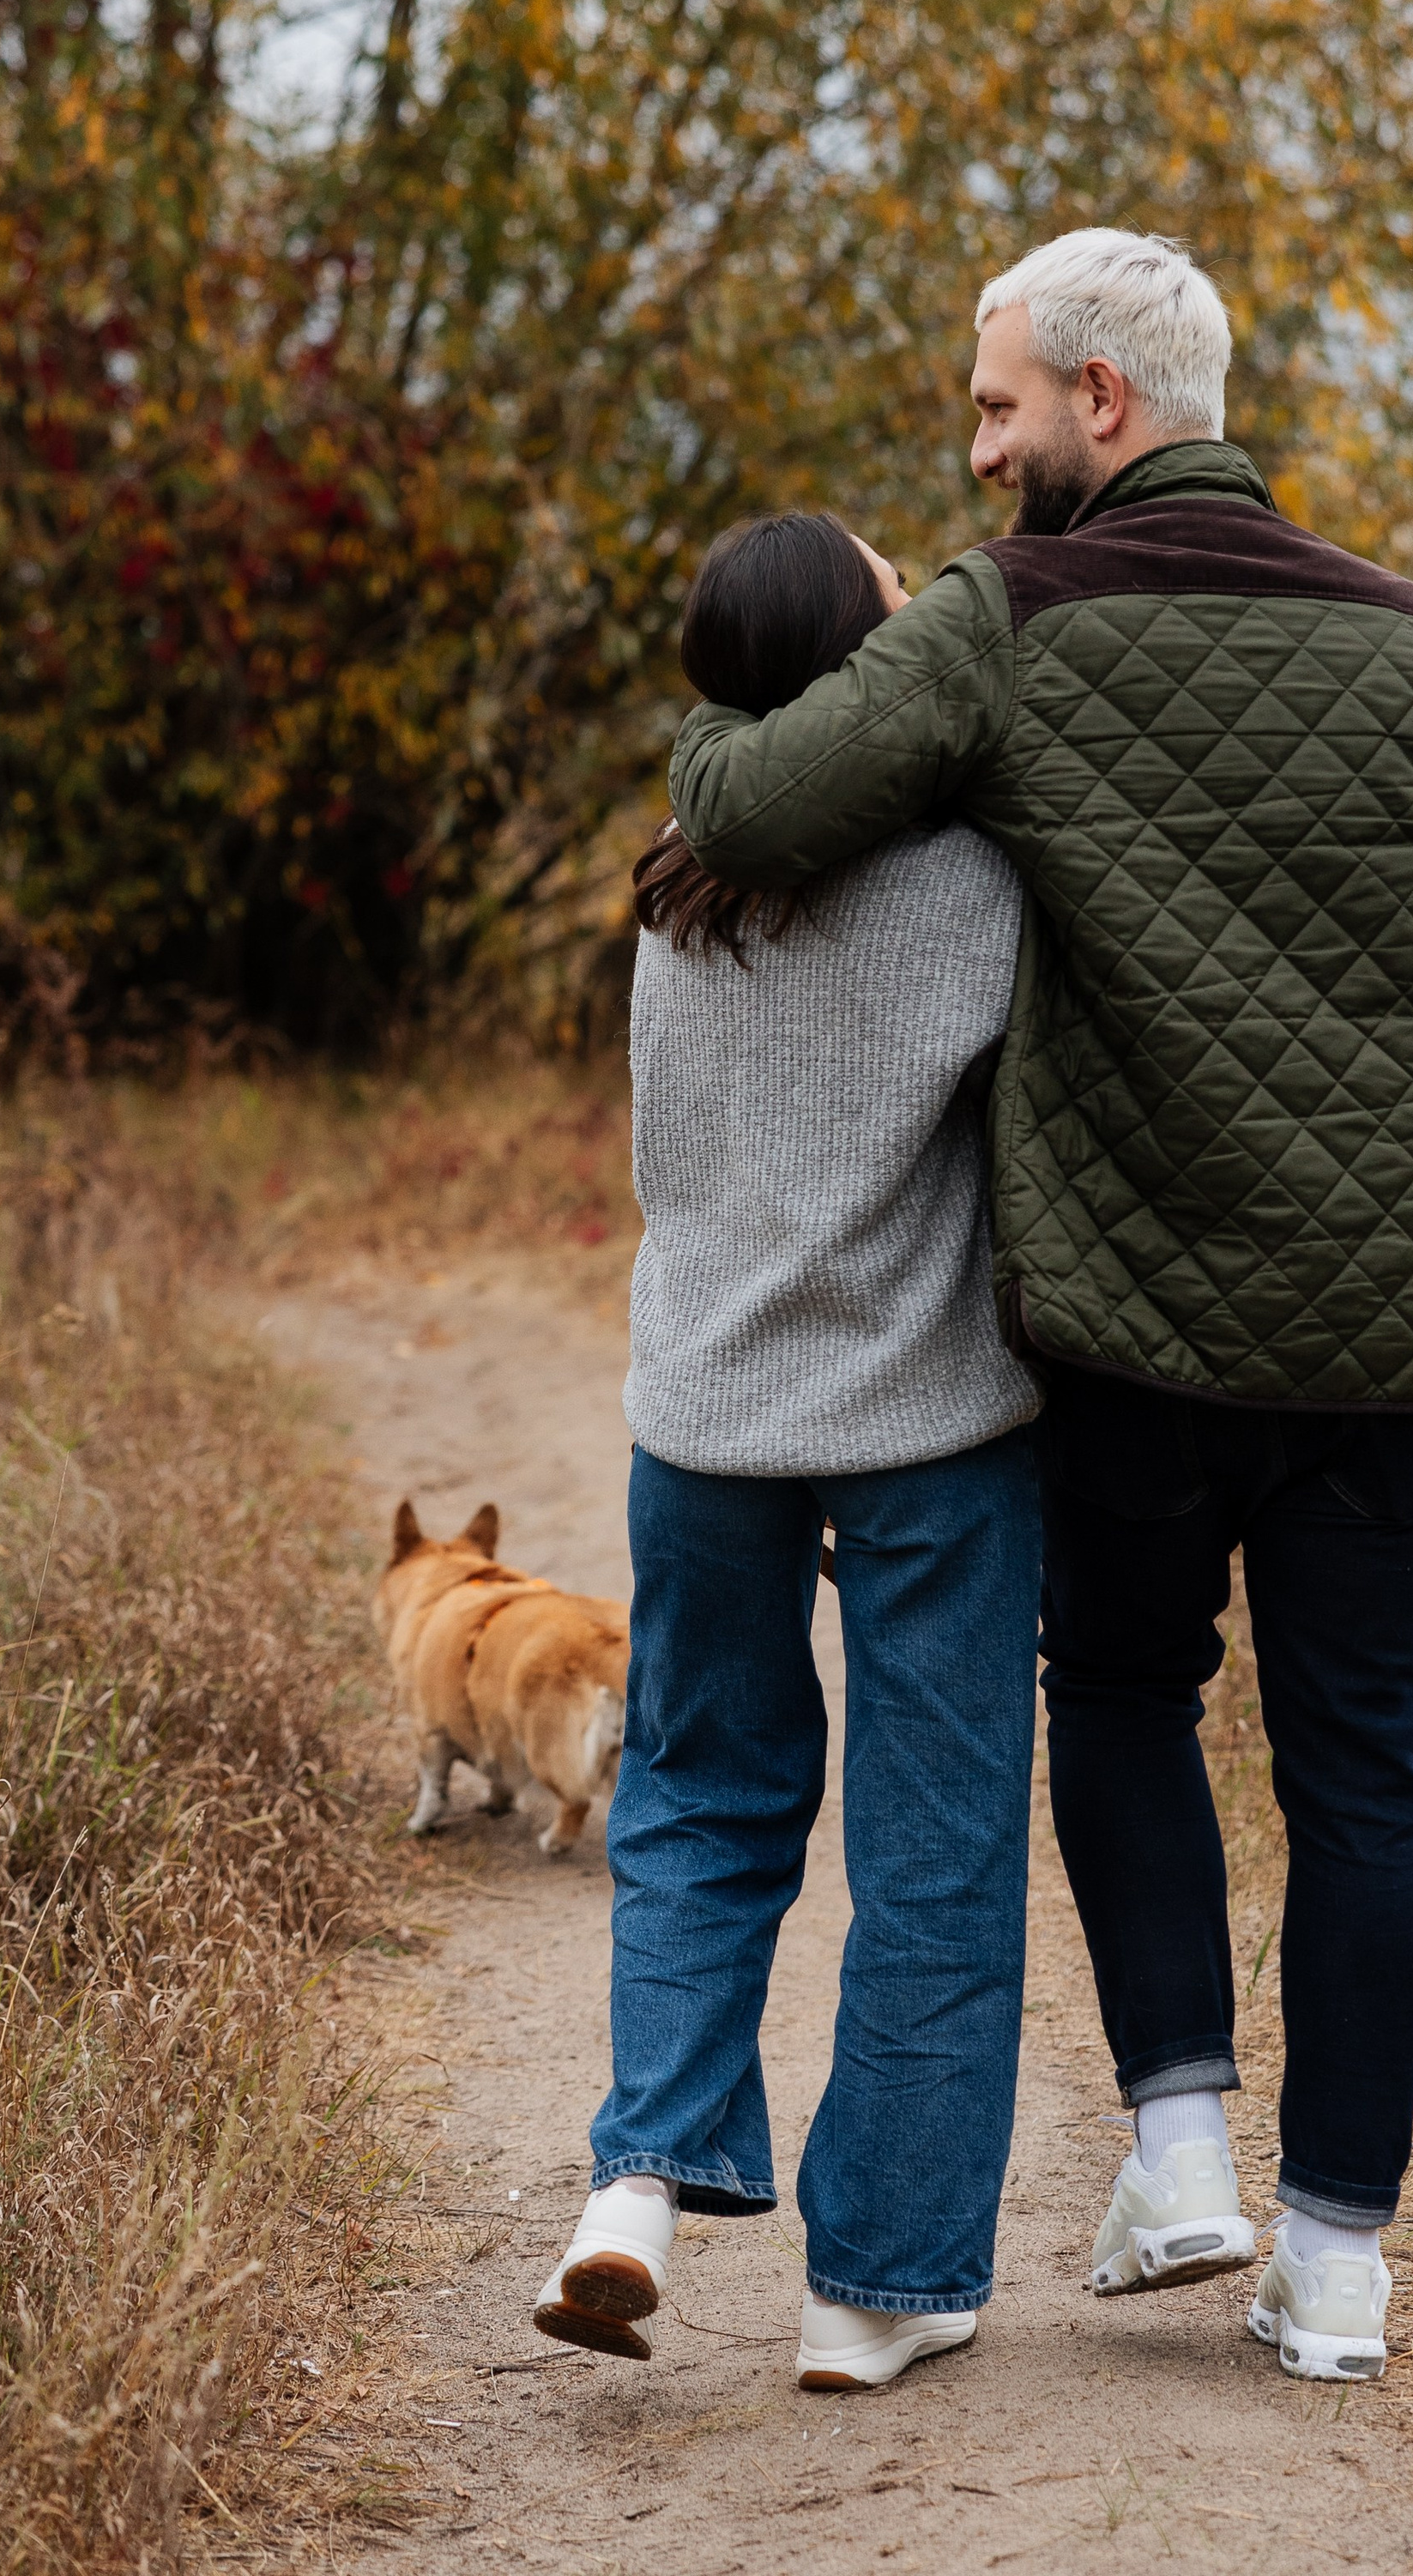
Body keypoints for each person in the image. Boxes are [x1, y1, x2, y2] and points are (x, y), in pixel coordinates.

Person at [666, 227, 1413, 2386]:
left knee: (1130, 1690)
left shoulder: (1008, 618)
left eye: (993, 409)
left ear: (1097, 397)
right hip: (1396, 1336)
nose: (975, 456)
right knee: (1370, 1776)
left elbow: (761, 790)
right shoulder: (1410, 636)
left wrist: (703, 770)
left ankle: (1177, 2145)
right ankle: (1334, 2269)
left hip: (1140, 1336)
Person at [534, 509, 1045, 2394]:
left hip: (706, 1420)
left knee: (694, 1802)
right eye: (894, 589)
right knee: (936, 1838)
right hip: (930, 1428)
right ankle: (880, 2291)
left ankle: (633, 2190)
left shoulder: (670, 885)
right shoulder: (970, 886)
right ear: (861, 661)